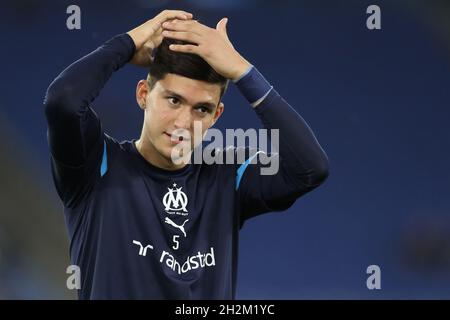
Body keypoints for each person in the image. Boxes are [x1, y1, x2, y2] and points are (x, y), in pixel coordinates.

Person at [44, 9, 329, 299]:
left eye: (201, 109)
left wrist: (244, 72)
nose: (182, 123)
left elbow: (310, 168)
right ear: (143, 94)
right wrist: (127, 44)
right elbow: (63, 100)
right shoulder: (96, 164)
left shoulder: (227, 175)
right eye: (173, 100)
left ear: (216, 115)